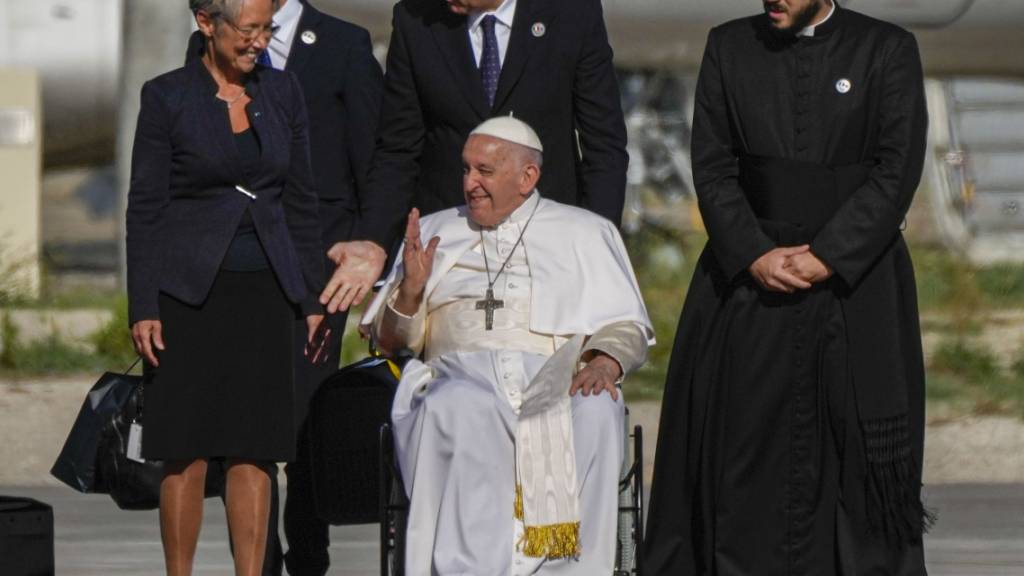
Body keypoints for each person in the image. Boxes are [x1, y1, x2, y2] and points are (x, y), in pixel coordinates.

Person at [644, 1, 931, 574]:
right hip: (750, 281)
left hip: (857, 281)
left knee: (855, 450)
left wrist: (830, 255)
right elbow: (713, 165)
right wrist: (752, 252)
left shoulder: (887, 49)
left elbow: (895, 169)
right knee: (741, 444)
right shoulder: (727, 46)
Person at [361, 116, 653, 575]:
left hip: (555, 377)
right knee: (460, 407)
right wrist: (411, 292)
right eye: (465, 169)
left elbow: (626, 323)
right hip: (458, 375)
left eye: (484, 171)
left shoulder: (586, 232)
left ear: (527, 176)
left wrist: (603, 363)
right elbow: (392, 341)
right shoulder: (436, 230)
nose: (469, 183)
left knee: (596, 410)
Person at [126, 1, 328, 574]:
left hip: (266, 291)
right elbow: (145, 207)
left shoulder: (284, 93)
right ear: (206, 23)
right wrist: (143, 303)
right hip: (186, 296)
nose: (259, 41)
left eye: (267, 28)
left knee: (255, 449)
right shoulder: (165, 96)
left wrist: (310, 297)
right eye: (248, 29)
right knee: (184, 452)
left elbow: (303, 201)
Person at [186, 1, 383, 572]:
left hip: (320, 258)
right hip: (234, 259)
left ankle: (309, 554)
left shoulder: (344, 43)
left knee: (298, 420)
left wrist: (367, 251)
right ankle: (259, 563)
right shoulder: (217, 35)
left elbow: (370, 156)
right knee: (239, 427)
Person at [343, 0, 629, 283]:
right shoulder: (417, 18)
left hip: (548, 246)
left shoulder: (571, 12)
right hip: (449, 245)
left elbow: (603, 146)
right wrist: (374, 239)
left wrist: (597, 244)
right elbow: (397, 149)